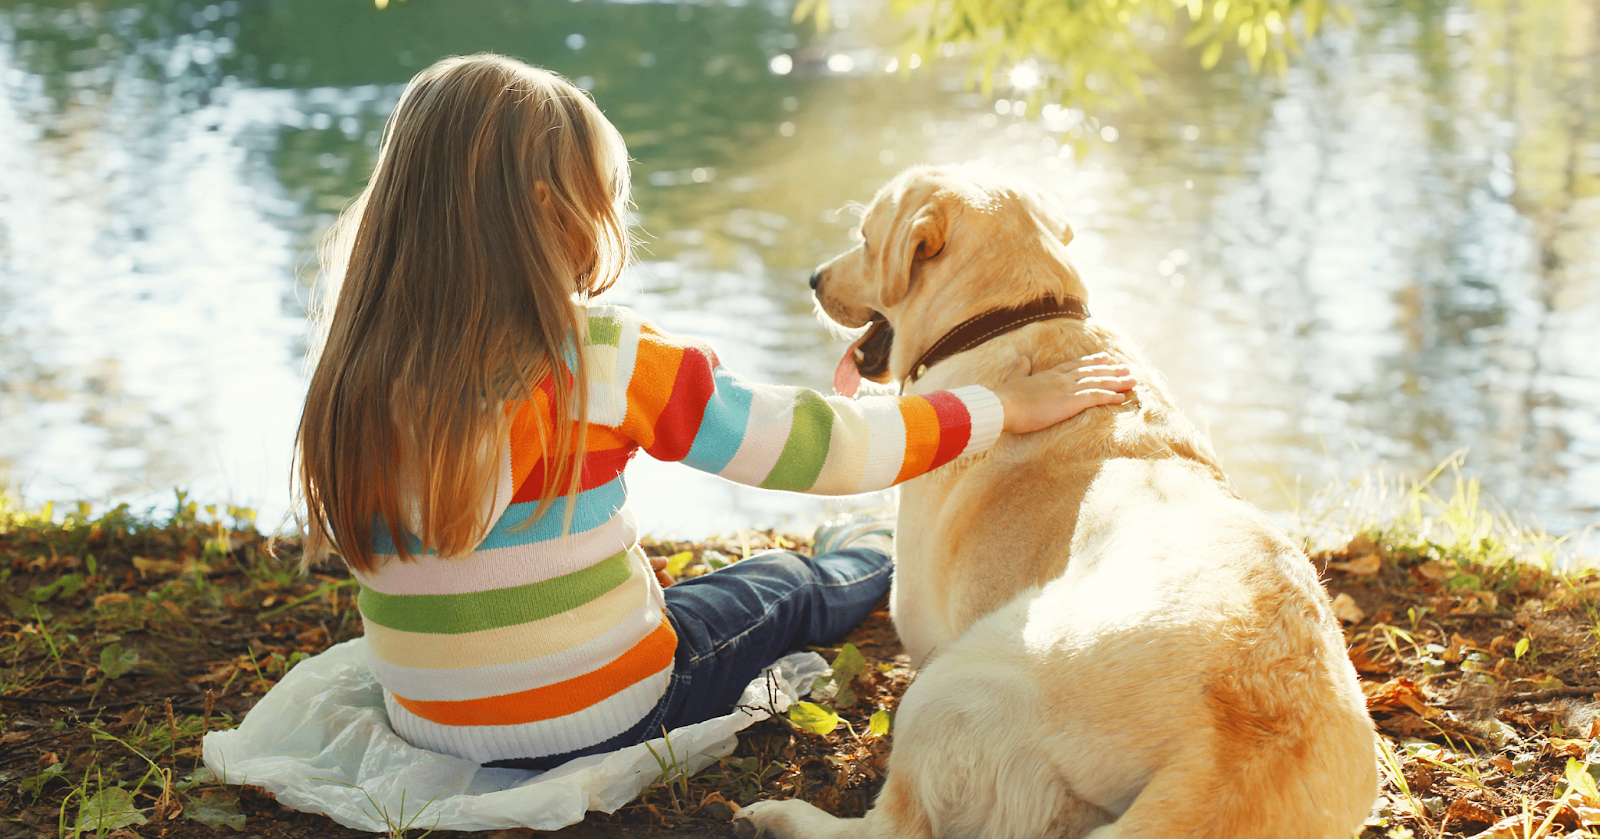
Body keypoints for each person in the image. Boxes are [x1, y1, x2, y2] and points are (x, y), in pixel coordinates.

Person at [292, 53, 1135, 772]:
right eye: (604, 198)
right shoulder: (598, 357)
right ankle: (866, 558)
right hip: (604, 716)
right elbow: (818, 447)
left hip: (428, 723)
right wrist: (997, 405)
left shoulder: (355, 365)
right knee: (777, 585)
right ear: (553, 210)